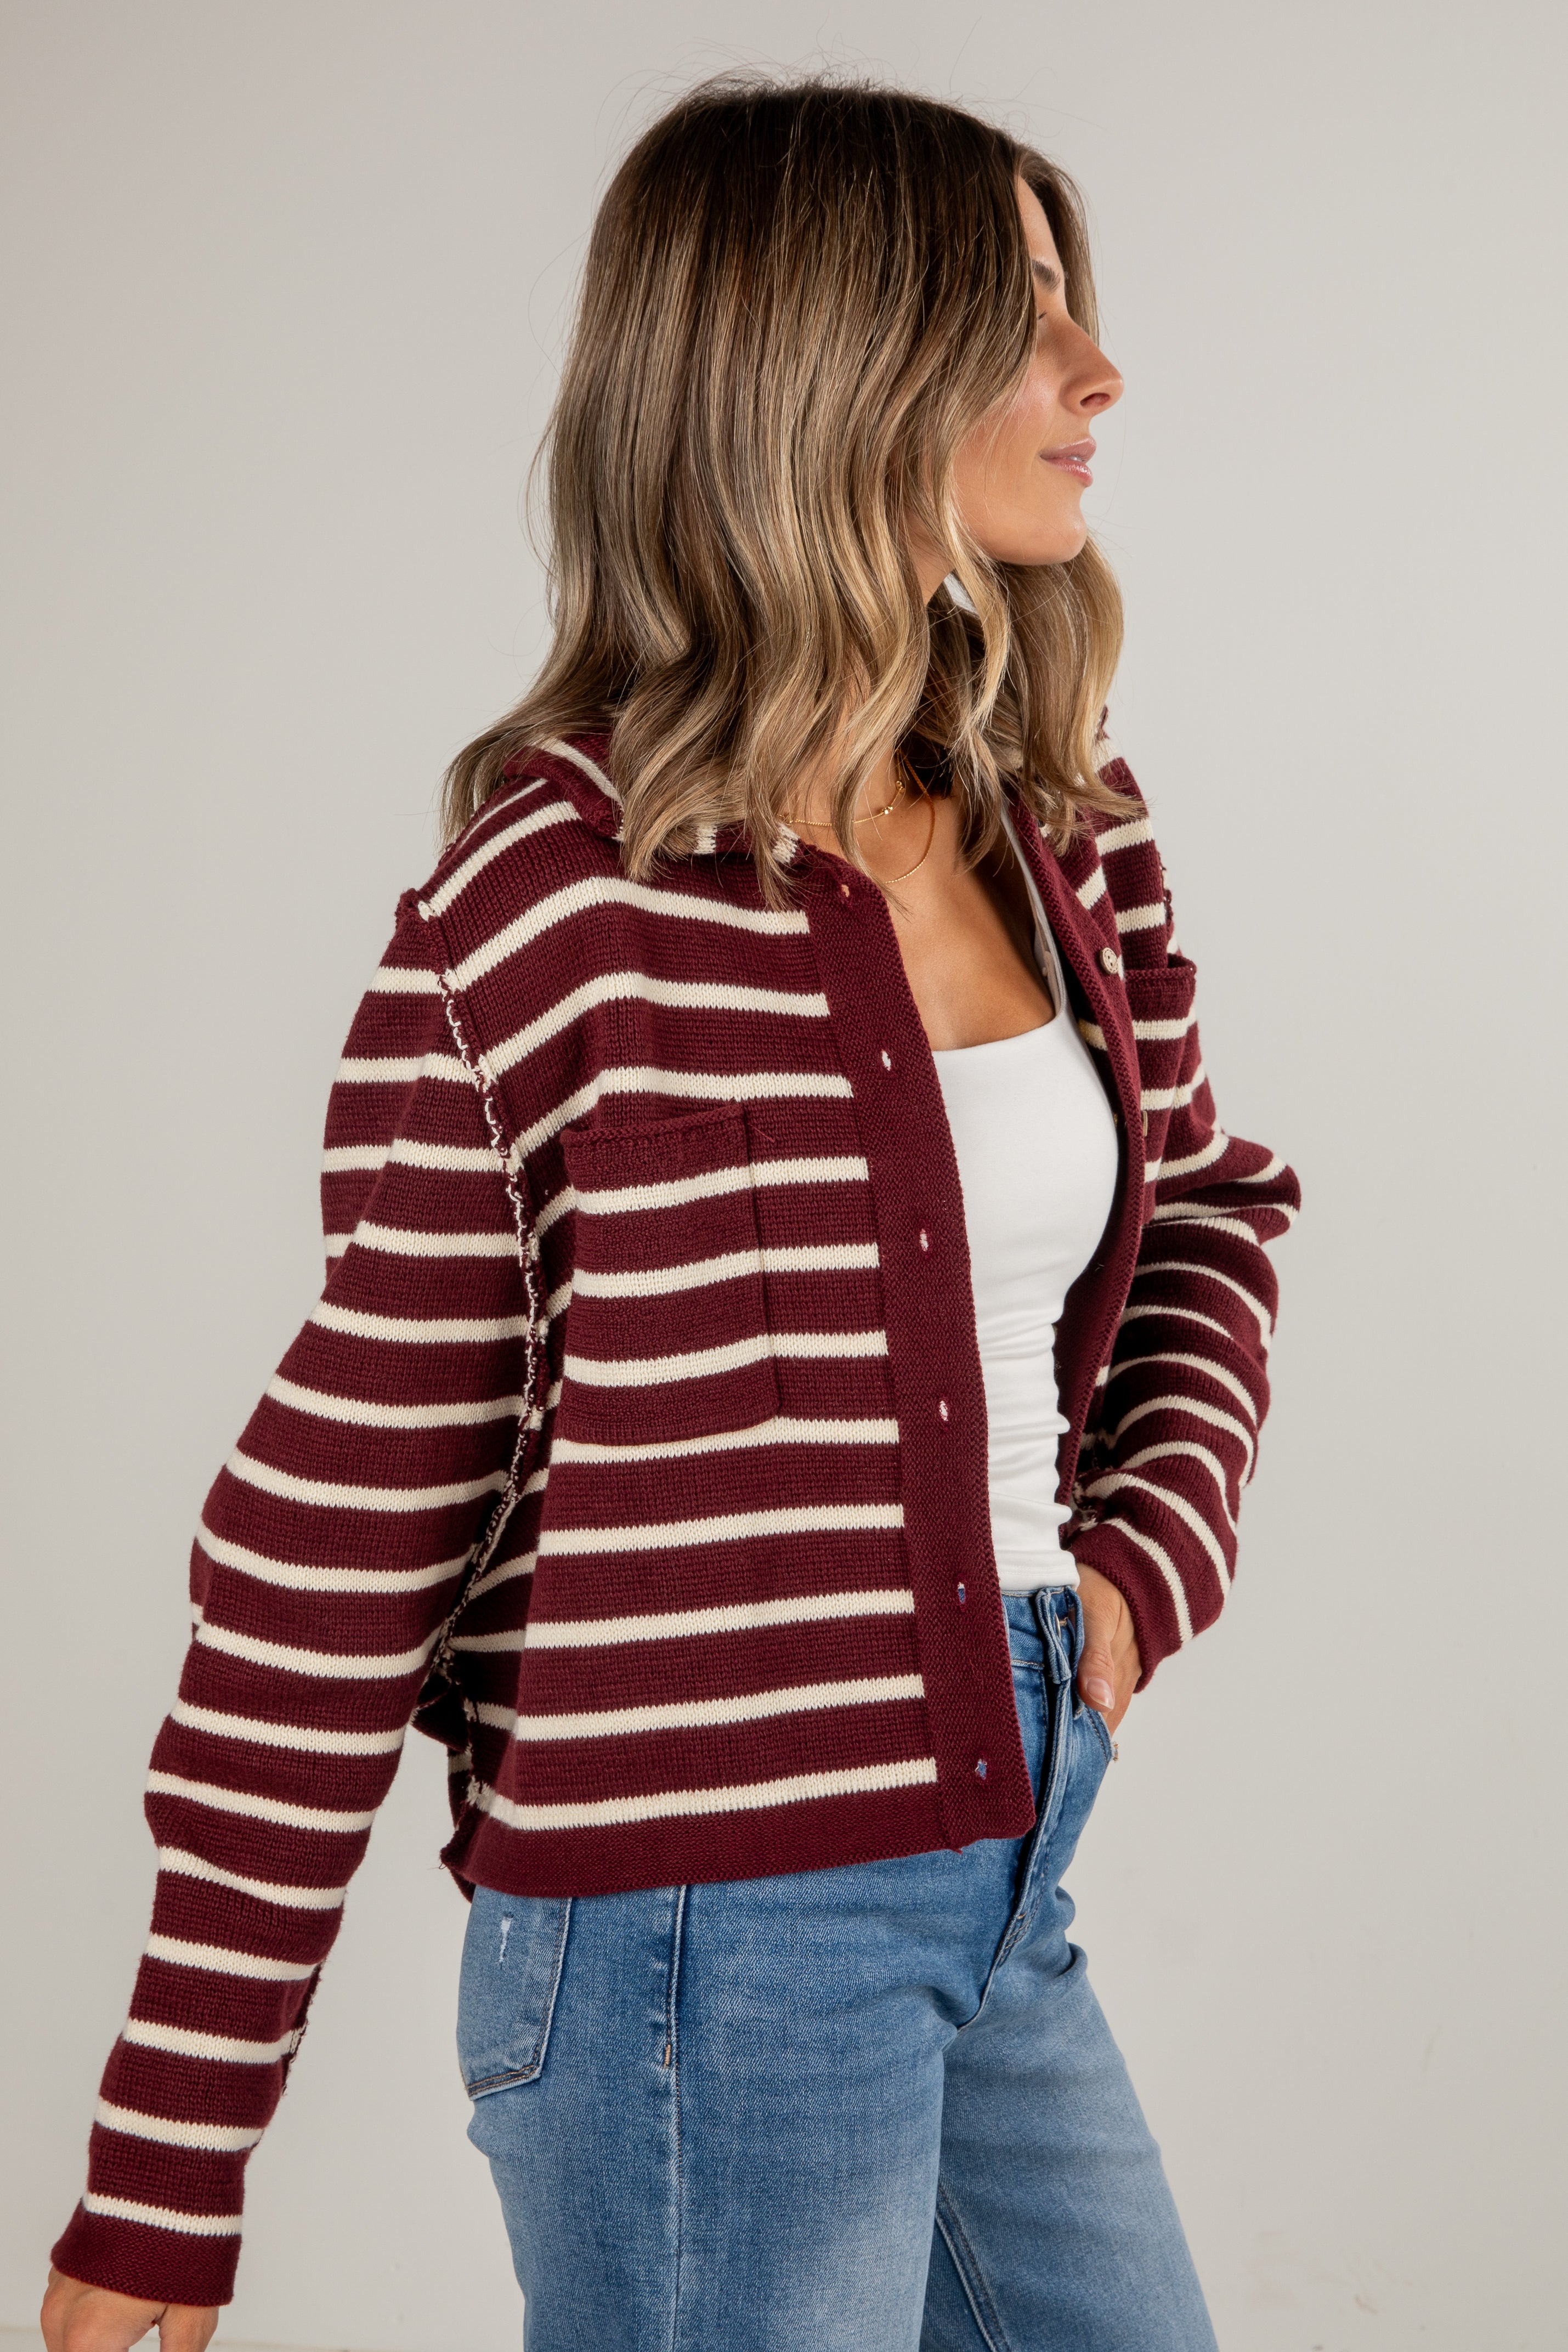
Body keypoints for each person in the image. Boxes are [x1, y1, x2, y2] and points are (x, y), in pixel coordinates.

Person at [43, 75, 1299, 2352]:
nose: (1092, 371)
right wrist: (162, 2171)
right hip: (705, 1940)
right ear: (832, 362)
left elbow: (1211, 1207)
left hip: (1006, 1859)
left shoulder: (1053, 814)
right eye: (1014, 313)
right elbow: (339, 1522)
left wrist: (1129, 1571)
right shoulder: (551, 908)